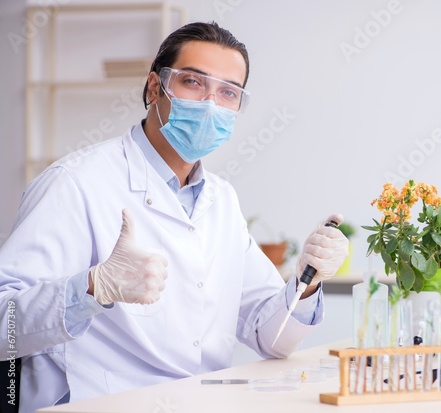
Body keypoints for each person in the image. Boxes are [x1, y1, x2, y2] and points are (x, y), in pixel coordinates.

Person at [0, 22, 349, 412]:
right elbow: (5, 325)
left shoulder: (221, 200)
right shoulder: (75, 183)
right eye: (193, 83)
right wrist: (91, 289)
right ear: (155, 88)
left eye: (228, 92)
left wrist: (308, 281)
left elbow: (270, 336)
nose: (210, 104)